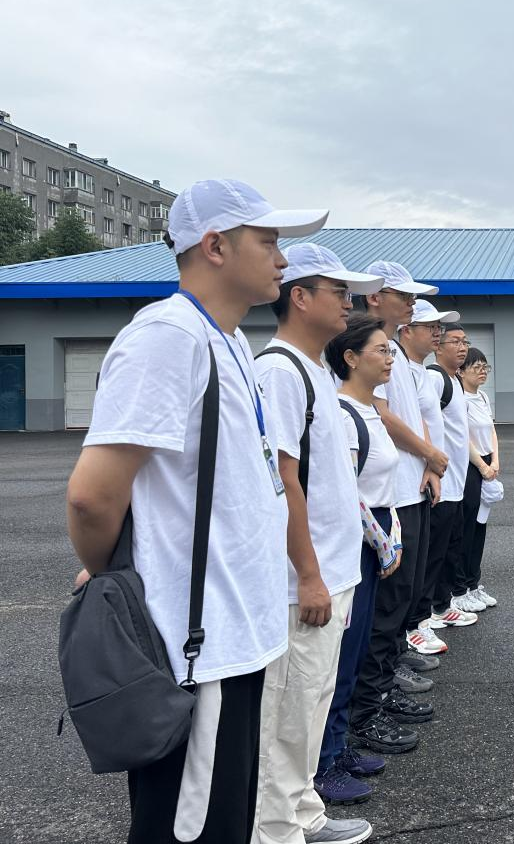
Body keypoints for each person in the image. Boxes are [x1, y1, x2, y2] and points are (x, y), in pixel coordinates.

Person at [66, 179, 326, 844]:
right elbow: (93, 494)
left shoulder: (230, 344)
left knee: (224, 825)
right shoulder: (167, 338)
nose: (282, 258)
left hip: (235, 636)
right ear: (215, 246)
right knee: (189, 833)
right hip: (198, 650)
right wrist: (109, 571)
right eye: (268, 242)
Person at [253, 245, 383, 844]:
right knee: (287, 714)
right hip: (303, 579)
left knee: (310, 706)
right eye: (339, 291)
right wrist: (307, 574)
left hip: (334, 570)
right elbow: (281, 478)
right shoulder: (279, 371)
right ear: (300, 298)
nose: (350, 304)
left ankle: (304, 814)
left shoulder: (312, 371)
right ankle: (276, 829)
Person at [347, 262, 443, 750]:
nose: (410, 303)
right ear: (373, 298)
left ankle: (380, 693)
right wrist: (428, 453)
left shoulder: (398, 358)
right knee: (383, 611)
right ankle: (365, 712)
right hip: (385, 498)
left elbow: (415, 416)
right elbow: (381, 414)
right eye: (401, 294)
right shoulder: (368, 353)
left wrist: (428, 465)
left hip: (409, 489)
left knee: (400, 604)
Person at [314, 314, 406, 807]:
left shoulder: (370, 411)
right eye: (381, 351)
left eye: (391, 351)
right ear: (350, 358)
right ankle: (322, 764)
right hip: (355, 547)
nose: (389, 358)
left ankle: (340, 745)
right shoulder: (343, 414)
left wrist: (393, 534)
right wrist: (383, 542)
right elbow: (347, 494)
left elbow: (381, 486)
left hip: (375, 542)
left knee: (357, 651)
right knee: (339, 657)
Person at [395, 299, 468, 652]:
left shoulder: (421, 371)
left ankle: (420, 620)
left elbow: (426, 421)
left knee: (428, 557)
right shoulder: (397, 367)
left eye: (441, 328)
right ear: (406, 330)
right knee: (413, 564)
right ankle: (412, 627)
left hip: (429, 477)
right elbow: (390, 419)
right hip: (406, 482)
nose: (438, 334)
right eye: (431, 327)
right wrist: (430, 457)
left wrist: (431, 464)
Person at [422, 323, 481, 628]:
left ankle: (443, 604)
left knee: (450, 547)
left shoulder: (454, 381)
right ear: (438, 346)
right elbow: (422, 420)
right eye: (455, 341)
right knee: (435, 551)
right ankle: (429, 610)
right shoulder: (434, 378)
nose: (462, 347)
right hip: (442, 483)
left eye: (465, 341)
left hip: (456, 482)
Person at [458, 346, 500, 610]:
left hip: (486, 463)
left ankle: (474, 584)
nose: (482, 372)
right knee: (466, 529)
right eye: (477, 367)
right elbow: (462, 438)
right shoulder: (458, 399)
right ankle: (459, 589)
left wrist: (494, 461)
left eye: (485, 367)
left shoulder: (482, 397)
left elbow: (492, 431)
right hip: (469, 467)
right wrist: (483, 468)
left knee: (480, 526)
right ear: (461, 371)